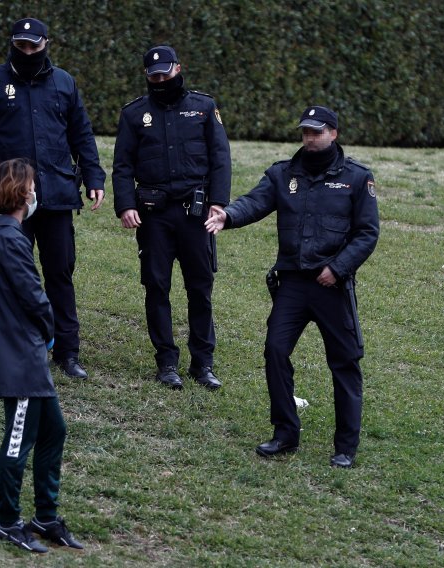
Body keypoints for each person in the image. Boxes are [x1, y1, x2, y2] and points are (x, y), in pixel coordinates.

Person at [205, 106, 380, 468]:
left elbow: (367, 233)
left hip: (333, 285)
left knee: (345, 363)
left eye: (317, 132)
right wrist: (228, 215)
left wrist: (338, 267)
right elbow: (255, 202)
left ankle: (345, 446)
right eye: (305, 132)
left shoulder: (357, 178)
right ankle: (285, 432)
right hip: (293, 284)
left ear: (334, 133)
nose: (310, 138)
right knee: (275, 350)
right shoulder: (283, 174)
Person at [0, 17, 106, 380]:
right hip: (9, 200)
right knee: (12, 275)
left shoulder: (64, 83)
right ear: (12, 43)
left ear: (45, 44)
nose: (26, 51)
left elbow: (82, 134)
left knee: (59, 274)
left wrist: (94, 176)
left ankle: (67, 354)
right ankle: (17, 350)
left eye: (33, 46)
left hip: (56, 195)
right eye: (20, 45)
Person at [0, 158, 83, 553]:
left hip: (21, 355)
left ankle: (45, 517)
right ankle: (7, 521)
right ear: (22, 193)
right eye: (32, 186)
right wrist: (49, 334)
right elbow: (35, 298)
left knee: (53, 431)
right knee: (17, 443)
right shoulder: (10, 239)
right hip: (20, 359)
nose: (36, 193)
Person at [112, 46, 231, 391]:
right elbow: (122, 165)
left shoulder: (203, 108)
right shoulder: (135, 114)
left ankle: (202, 363)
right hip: (154, 216)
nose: (161, 80)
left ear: (179, 68)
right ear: (147, 76)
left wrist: (219, 203)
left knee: (200, 289)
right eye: (154, 76)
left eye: (166, 73)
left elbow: (220, 158)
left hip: (195, 215)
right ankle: (166, 362)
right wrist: (125, 205)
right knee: (156, 286)